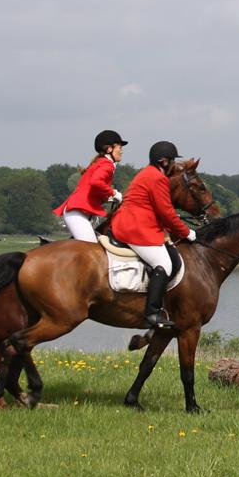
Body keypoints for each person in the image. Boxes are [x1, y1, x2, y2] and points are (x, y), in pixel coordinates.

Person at [111, 140, 196, 330]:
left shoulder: (147, 173)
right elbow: (166, 212)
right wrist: (186, 232)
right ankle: (152, 313)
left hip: (133, 222)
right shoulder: (157, 178)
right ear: (164, 161)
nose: (174, 164)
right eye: (172, 160)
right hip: (136, 228)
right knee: (164, 264)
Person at [52, 130, 126, 243]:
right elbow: (96, 182)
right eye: (119, 148)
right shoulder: (107, 164)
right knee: (92, 247)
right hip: (76, 213)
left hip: (79, 212)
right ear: (109, 149)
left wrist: (111, 198)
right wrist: (114, 193)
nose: (121, 151)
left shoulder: (100, 162)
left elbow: (95, 191)